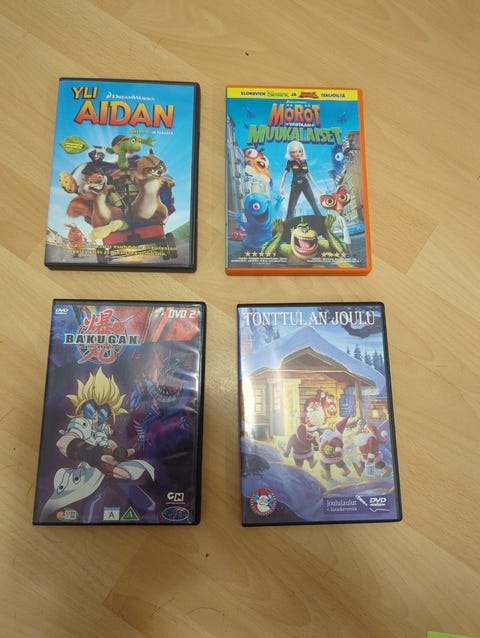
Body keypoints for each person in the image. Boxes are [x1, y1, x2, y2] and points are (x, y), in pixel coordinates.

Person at [280, 141, 325, 227]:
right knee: (291, 208)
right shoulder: (290, 162)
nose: (297, 154)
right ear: (290, 153)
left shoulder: (304, 161)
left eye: (299, 151)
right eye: (294, 152)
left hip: (305, 184)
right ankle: (286, 227)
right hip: (295, 185)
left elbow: (308, 174)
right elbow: (285, 174)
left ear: (302, 152)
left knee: (314, 204)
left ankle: (322, 224)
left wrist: (317, 188)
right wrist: (281, 188)